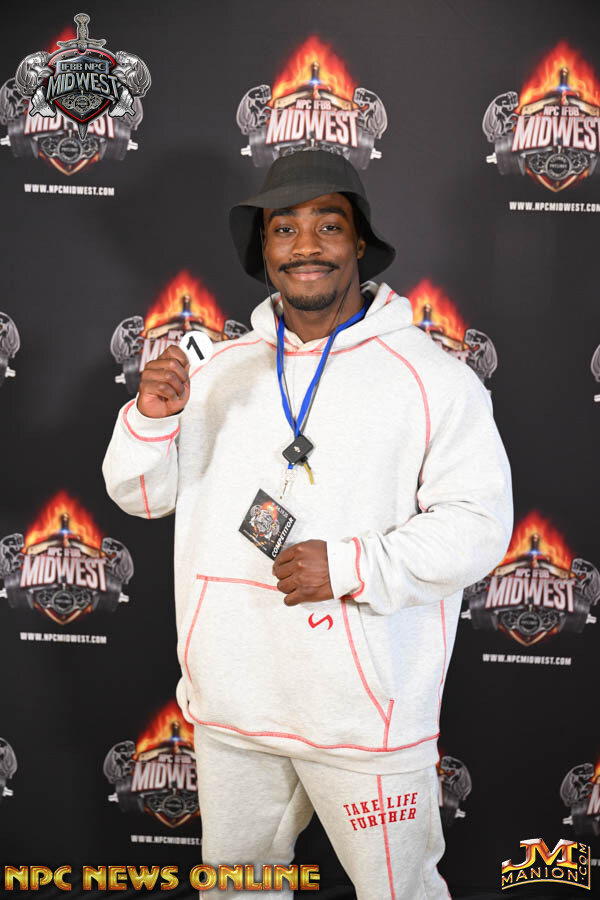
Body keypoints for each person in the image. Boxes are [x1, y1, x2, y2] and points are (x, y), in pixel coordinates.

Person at [103, 150, 512, 898]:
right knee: (238, 890)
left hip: (365, 720)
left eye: (329, 225)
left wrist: (352, 566)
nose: (306, 246)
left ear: (360, 243)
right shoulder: (217, 370)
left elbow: (479, 526)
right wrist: (149, 420)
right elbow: (140, 496)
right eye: (284, 228)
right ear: (263, 250)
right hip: (236, 708)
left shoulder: (434, 379)